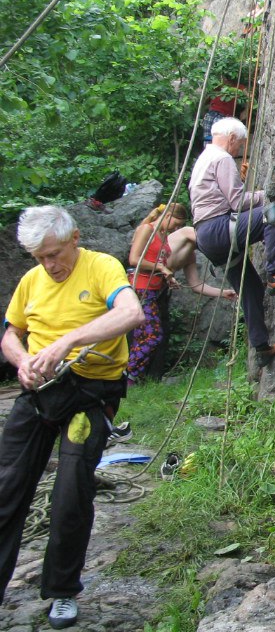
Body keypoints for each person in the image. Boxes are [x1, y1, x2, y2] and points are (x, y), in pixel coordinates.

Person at [0, 205, 145, 629]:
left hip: (89, 394)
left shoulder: (101, 268)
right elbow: (11, 333)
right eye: (40, 257)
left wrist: (67, 342)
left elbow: (131, 313)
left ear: (75, 238)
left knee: (70, 494)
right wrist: (23, 360)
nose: (50, 264)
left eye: (55, 253)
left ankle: (62, 592)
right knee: (7, 488)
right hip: (39, 392)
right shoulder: (32, 281)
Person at [190, 117, 275, 361]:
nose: (239, 150)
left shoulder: (204, 159)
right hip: (219, 227)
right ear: (231, 138)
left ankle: (261, 349)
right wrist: (266, 194)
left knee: (250, 288)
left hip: (206, 236)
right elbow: (237, 203)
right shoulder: (222, 158)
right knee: (273, 214)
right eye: (240, 145)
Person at [126, 202, 236, 383]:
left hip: (155, 292)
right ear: (167, 215)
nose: (176, 229)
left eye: (179, 225)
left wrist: (223, 292)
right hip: (140, 289)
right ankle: (129, 376)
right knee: (153, 335)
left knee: (144, 336)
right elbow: (134, 259)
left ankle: (134, 378)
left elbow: (195, 284)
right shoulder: (147, 229)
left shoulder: (164, 238)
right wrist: (162, 268)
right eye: (175, 224)